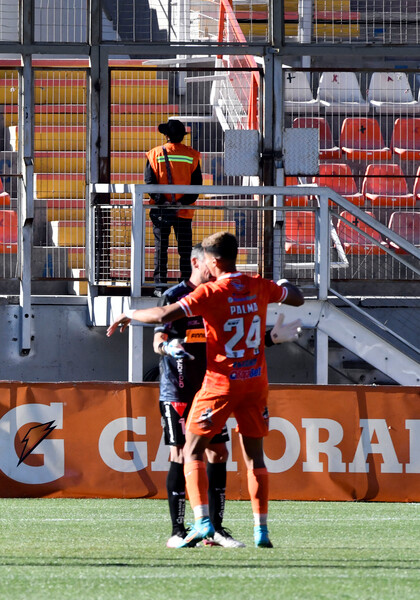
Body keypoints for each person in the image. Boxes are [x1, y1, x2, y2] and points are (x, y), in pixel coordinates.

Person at [108, 231, 304, 548]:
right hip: (249, 384)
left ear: (212, 261)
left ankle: (204, 524)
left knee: (195, 451)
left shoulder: (211, 292)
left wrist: (129, 313)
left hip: (218, 385)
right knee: (253, 457)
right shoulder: (256, 284)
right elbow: (296, 297)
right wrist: (281, 286)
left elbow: (161, 316)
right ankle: (260, 531)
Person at [144, 119, 203, 287]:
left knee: (160, 249)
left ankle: (159, 285)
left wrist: (163, 201)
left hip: (160, 209)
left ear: (166, 135)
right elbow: (197, 185)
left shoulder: (154, 154)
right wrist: (181, 203)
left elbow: (149, 182)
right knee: (185, 250)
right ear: (182, 136)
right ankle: (186, 284)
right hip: (184, 210)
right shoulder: (192, 155)